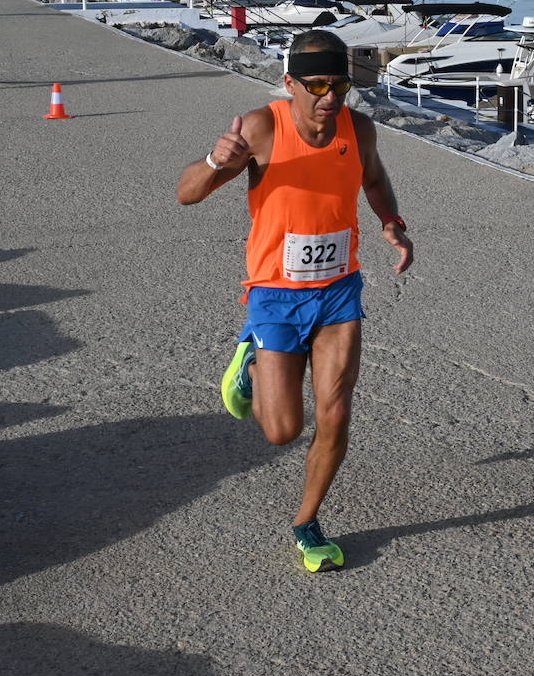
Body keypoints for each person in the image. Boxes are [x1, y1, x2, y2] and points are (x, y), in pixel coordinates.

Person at [177, 29, 413, 573]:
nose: (330, 97)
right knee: (281, 430)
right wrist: (216, 162)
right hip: (276, 295)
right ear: (290, 84)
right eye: (318, 85)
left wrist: (392, 223)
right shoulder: (262, 129)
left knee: (335, 412)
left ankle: (307, 523)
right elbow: (186, 193)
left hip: (338, 291)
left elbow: (373, 179)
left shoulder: (359, 129)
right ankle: (252, 356)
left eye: (341, 85)